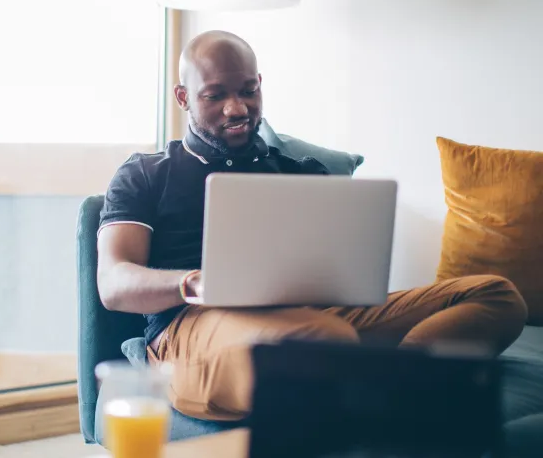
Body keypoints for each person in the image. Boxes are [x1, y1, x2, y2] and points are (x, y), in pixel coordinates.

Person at [96, 30, 528, 422]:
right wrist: (194, 283)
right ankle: (375, 380)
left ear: (260, 84)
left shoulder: (300, 171)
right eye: (215, 96)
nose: (237, 108)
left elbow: (340, 268)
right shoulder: (147, 173)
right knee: (321, 338)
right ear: (183, 97)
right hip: (191, 328)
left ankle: (390, 382)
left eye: (248, 91)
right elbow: (114, 285)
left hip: (313, 314)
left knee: (496, 294)